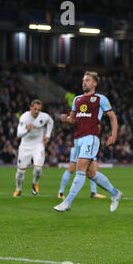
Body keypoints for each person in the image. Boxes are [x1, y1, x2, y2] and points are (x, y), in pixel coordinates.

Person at [54, 71, 122, 212]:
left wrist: (114, 134)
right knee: (90, 173)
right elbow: (73, 121)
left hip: (90, 137)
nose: (84, 82)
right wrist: (66, 119)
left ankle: (67, 202)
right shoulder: (77, 100)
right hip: (77, 139)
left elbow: (112, 117)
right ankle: (116, 193)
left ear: (94, 83)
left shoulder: (100, 99)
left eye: (87, 80)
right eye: (83, 80)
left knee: (80, 170)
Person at [13, 99, 54, 197]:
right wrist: (27, 130)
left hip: (38, 146)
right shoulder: (24, 117)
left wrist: (47, 135)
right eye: (35, 109)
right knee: (20, 172)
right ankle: (18, 189)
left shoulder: (44, 116)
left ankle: (35, 183)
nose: (36, 111)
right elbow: (18, 134)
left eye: (38, 110)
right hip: (25, 147)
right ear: (30, 108)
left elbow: (50, 122)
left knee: (38, 169)